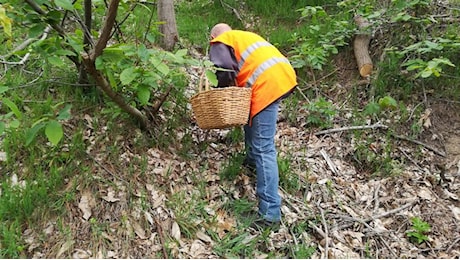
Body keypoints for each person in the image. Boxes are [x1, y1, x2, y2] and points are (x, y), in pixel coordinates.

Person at [209, 23, 297, 226]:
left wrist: (221, 91)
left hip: (266, 84)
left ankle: (270, 213)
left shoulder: (221, 41)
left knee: (264, 148)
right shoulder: (244, 36)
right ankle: (250, 161)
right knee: (252, 120)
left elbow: (222, 70)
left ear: (212, 36)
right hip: (282, 75)